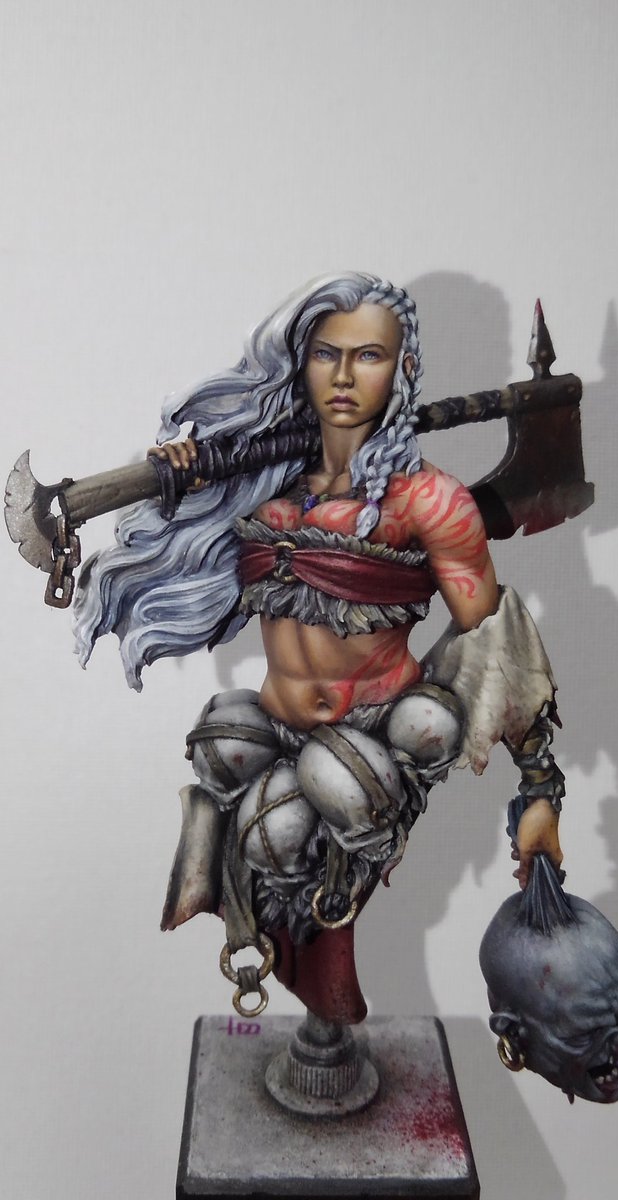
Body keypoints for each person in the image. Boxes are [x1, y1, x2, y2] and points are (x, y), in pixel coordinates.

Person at [73, 273, 564, 1022]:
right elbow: (187, 542)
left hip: (375, 742)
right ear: (300, 363)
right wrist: (185, 475)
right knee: (230, 764)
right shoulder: (255, 482)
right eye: (326, 354)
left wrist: (539, 791)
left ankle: (326, 1009)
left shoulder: (427, 500)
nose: (342, 376)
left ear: (402, 368)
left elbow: (496, 640)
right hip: (266, 733)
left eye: (368, 355)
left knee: (307, 830)